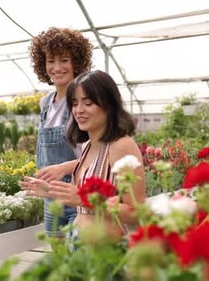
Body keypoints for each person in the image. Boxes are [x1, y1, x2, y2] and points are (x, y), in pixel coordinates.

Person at [21, 70, 146, 238]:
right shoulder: (88, 145)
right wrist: (52, 190)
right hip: (81, 248)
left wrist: (83, 199)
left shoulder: (121, 146)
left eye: (88, 103)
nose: (79, 110)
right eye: (74, 103)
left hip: (107, 254)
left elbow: (136, 213)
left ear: (108, 105)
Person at [28, 27, 93, 238]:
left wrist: (63, 168)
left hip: (77, 195)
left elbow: (99, 155)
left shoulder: (84, 102)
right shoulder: (45, 102)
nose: (57, 67)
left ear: (76, 62)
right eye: (50, 61)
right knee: (60, 263)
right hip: (51, 198)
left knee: (78, 259)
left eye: (64, 60)